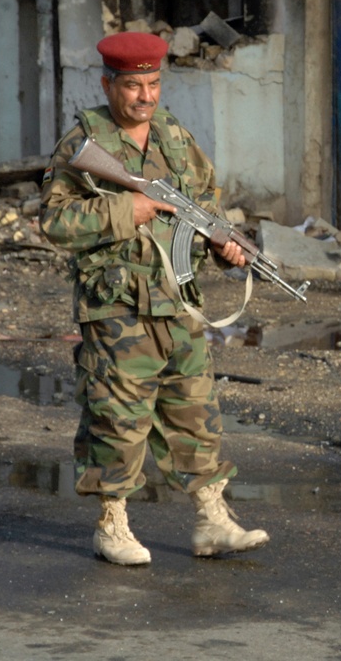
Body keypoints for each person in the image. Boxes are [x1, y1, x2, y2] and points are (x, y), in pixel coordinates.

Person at [40, 31, 269, 565]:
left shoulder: (174, 137)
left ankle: (212, 520)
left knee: (197, 411)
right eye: (134, 85)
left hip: (177, 301)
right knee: (118, 418)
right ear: (108, 84)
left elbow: (206, 206)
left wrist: (225, 247)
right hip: (117, 308)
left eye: (154, 83)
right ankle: (111, 524)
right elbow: (53, 221)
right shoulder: (84, 142)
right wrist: (127, 211)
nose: (146, 96)